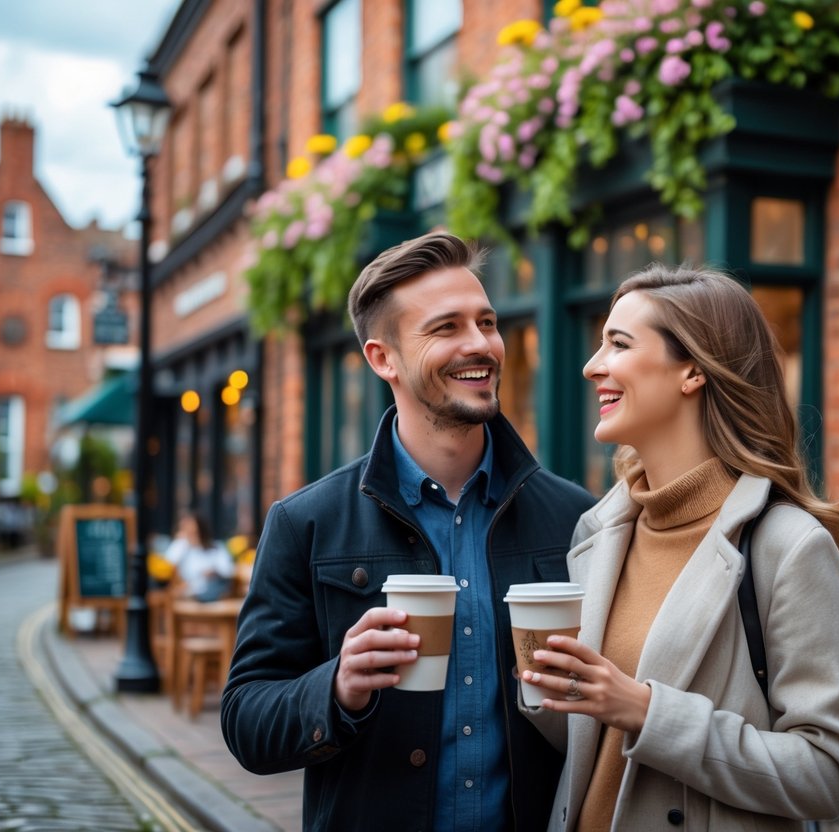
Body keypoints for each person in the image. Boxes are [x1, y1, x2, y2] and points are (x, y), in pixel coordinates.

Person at [221, 231, 595, 830]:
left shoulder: (578, 519)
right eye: (446, 328)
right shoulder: (305, 522)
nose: (481, 345)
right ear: (382, 358)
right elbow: (246, 720)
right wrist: (337, 687)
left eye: (487, 322)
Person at [520, 264, 839, 831]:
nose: (592, 365)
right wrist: (545, 688)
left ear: (691, 371)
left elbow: (828, 772)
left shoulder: (788, 547)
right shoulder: (598, 533)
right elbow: (589, 745)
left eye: (619, 344)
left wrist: (648, 713)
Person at [164, 511, 235, 603]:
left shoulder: (216, 548)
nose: (191, 535)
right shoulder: (182, 548)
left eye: (194, 532)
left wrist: (214, 572)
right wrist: (181, 541)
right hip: (190, 591)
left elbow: (228, 571)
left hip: (212, 589)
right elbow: (169, 563)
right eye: (188, 531)